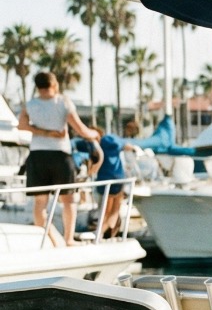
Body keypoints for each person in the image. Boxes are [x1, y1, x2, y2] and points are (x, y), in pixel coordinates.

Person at [18, 71, 99, 246]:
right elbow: (80, 129)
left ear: (38, 86)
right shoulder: (63, 102)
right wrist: (94, 134)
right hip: (60, 155)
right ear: (54, 84)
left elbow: (22, 125)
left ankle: (54, 240)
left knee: (40, 203)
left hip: (37, 155)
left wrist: (44, 132)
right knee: (69, 200)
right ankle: (68, 240)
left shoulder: (30, 105)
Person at [91, 122, 138, 238]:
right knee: (113, 210)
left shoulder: (95, 144)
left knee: (108, 210)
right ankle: (105, 232)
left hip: (106, 178)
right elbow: (125, 145)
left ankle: (101, 232)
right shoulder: (108, 140)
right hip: (116, 177)